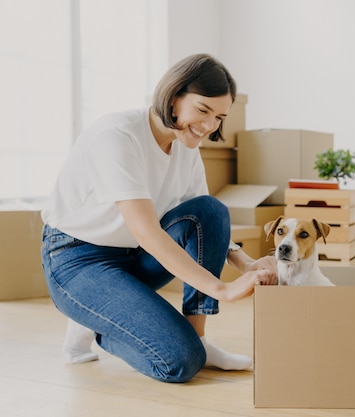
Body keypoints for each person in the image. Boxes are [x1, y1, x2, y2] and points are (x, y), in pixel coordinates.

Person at [40, 53, 278, 383]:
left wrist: (246, 263)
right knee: (180, 362)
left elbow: (205, 222)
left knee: (209, 210)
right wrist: (223, 289)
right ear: (173, 96)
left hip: (133, 257)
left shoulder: (186, 147)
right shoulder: (118, 136)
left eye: (219, 117)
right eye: (203, 110)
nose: (209, 126)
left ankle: (200, 339)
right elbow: (149, 233)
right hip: (78, 260)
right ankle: (98, 323)